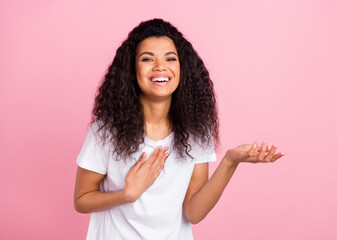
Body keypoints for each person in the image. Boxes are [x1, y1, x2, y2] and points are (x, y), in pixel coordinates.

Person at [74, 18, 284, 240]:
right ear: (132, 72)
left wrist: (230, 161)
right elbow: (81, 199)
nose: (160, 67)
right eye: (147, 59)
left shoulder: (196, 131)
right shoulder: (106, 131)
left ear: (182, 69)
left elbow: (193, 212)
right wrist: (128, 194)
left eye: (170, 58)